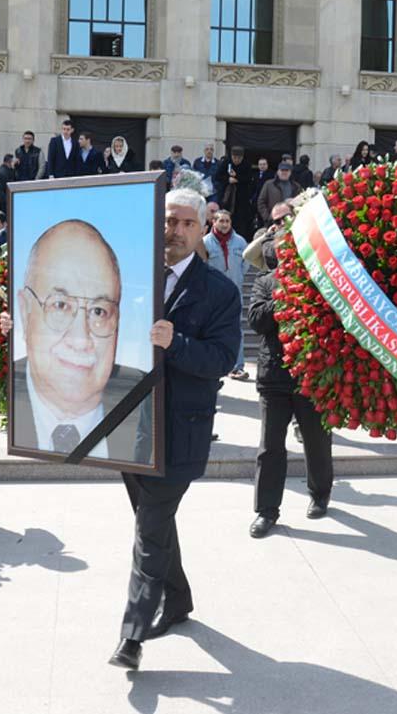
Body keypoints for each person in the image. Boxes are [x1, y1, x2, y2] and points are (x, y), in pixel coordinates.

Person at [106, 187, 240, 670]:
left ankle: (132, 636)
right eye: (168, 221)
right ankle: (178, 599)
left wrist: (177, 342)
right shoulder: (131, 276)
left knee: (149, 529)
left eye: (186, 223)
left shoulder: (220, 291)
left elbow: (223, 358)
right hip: (127, 426)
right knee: (154, 523)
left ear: (203, 227)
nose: (175, 231)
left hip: (179, 431)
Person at [6, 220, 155, 461]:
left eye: (99, 311)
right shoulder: (6, 386)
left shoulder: (146, 398)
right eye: (60, 305)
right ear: (25, 312)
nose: (80, 339)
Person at [247, 234, 333, 537]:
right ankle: (266, 511)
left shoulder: (318, 279)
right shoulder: (265, 282)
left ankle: (320, 493)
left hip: (311, 374)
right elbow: (256, 319)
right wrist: (283, 296)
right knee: (270, 447)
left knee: (316, 440)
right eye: (283, 250)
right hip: (274, 376)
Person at [203, 209, 249, 381]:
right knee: (211, 329)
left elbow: (247, 261)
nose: (224, 224)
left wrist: (241, 276)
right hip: (212, 294)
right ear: (214, 222)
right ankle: (213, 366)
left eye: (227, 221)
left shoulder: (240, 242)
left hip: (234, 292)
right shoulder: (205, 243)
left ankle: (237, 367)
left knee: (236, 329)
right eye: (221, 221)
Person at [214, 146, 256, 241]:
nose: (236, 160)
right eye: (234, 157)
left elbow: (249, 179)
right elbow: (217, 177)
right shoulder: (226, 163)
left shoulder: (246, 165)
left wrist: (237, 178)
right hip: (227, 197)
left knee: (241, 221)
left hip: (241, 198)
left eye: (239, 158)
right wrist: (228, 179)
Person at [255, 161, 299, 226]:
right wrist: (268, 217)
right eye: (282, 170)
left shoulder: (296, 186)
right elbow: (261, 202)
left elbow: (301, 202)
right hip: (273, 222)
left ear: (290, 172)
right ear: (278, 172)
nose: (284, 172)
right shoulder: (269, 184)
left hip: (291, 222)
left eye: (286, 170)